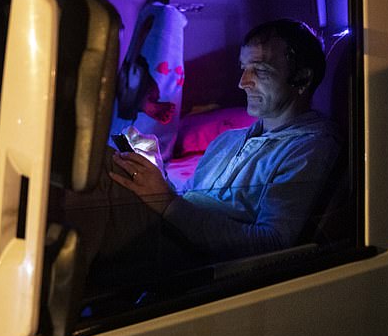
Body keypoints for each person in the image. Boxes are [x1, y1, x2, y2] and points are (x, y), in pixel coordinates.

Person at [108, 19, 342, 262]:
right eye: (244, 68)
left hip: (190, 262)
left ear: (302, 79)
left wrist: (167, 204)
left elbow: (273, 245)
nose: (242, 82)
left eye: (260, 70)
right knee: (110, 163)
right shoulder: (227, 140)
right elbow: (186, 200)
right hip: (162, 236)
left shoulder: (309, 150)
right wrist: (157, 174)